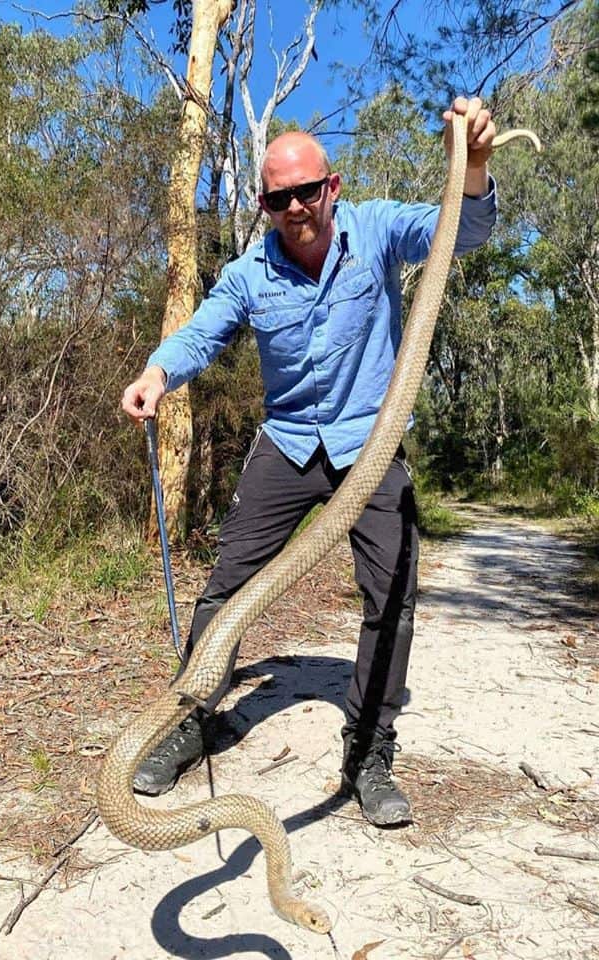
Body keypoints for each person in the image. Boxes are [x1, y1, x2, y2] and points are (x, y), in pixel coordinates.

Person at [121, 97, 498, 827]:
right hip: (290, 441)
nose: (296, 206)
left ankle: (370, 755)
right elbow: (201, 334)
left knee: (392, 599)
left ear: (333, 186)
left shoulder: (380, 228)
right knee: (227, 590)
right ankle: (193, 719)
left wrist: (474, 166)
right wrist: (158, 374)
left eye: (308, 190)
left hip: (371, 441)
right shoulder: (249, 273)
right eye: (278, 197)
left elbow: (466, 231)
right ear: (264, 204)